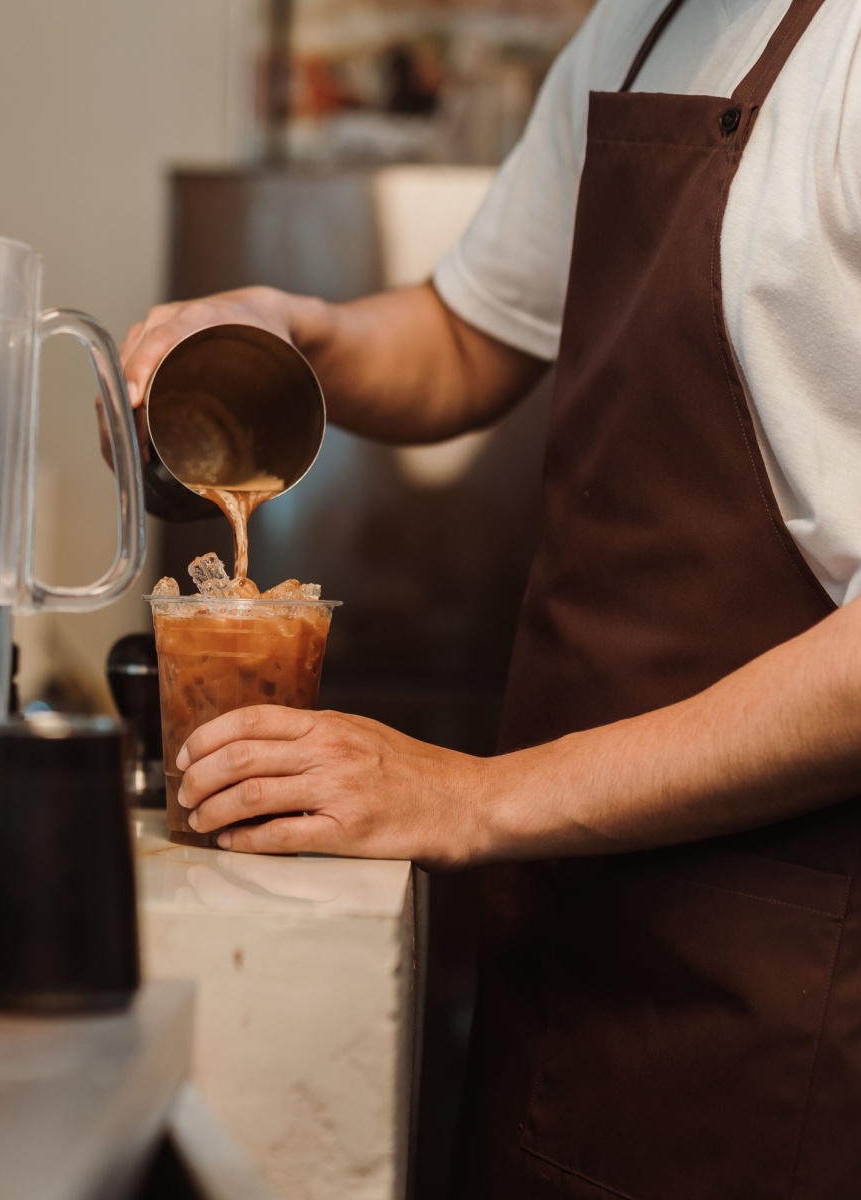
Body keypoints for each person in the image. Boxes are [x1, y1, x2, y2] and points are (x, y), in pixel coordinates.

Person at [120, 0, 861, 1194]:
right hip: (580, 926)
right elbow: (468, 337)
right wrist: (301, 328)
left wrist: (477, 798)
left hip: (788, 965)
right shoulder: (645, 25)